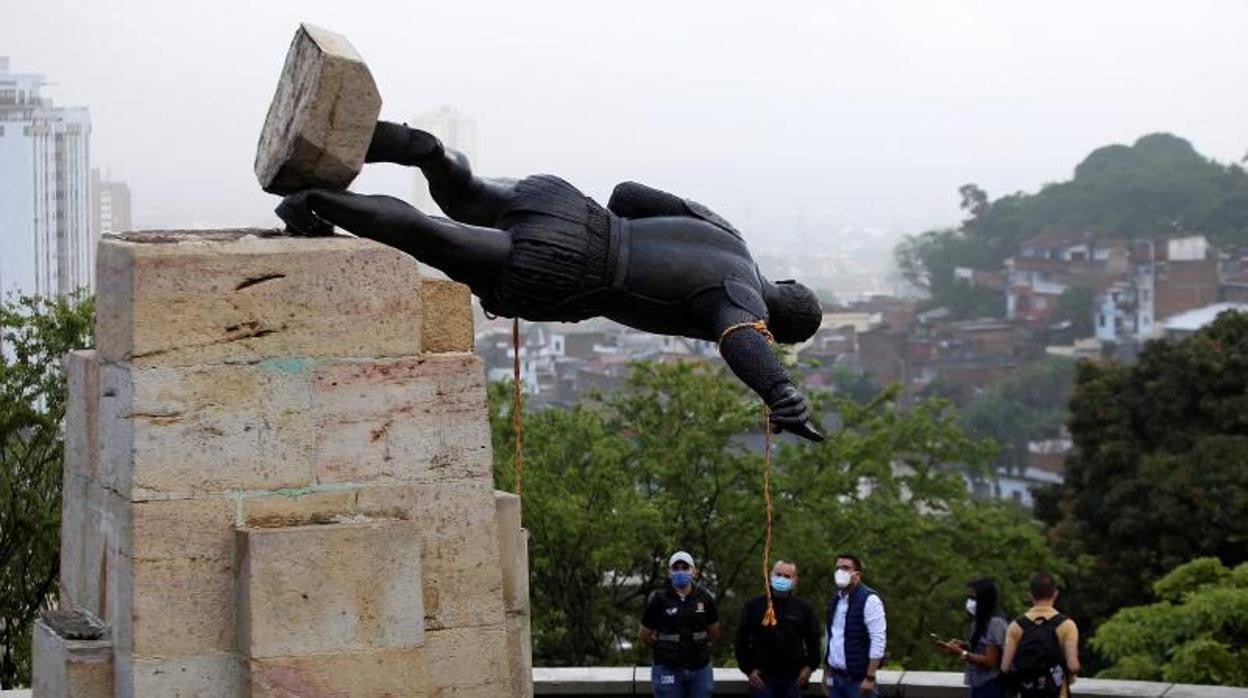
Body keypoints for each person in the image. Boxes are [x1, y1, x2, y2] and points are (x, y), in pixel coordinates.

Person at [275, 121, 824, 441]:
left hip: (569, 208)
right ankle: (315, 201)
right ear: (781, 325)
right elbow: (742, 341)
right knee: (435, 237)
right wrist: (781, 393)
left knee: (464, 190)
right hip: (575, 267)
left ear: (788, 281)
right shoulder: (742, 302)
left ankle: (425, 151)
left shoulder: (726, 235)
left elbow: (628, 194)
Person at [735, 560, 822, 697]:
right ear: (770, 575)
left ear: (795, 581)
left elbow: (814, 641)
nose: (782, 579)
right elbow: (741, 640)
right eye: (778, 574)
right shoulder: (754, 606)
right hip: (762, 680)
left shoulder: (804, 609)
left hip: (793, 679)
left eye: (787, 576)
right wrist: (748, 670)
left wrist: (809, 668)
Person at [640, 551, 721, 697]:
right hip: (667, 667)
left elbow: (714, 632)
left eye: (685, 567)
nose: (680, 571)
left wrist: (698, 646)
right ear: (669, 572)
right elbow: (644, 634)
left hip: (699, 668)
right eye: (676, 568)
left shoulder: (705, 598)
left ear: (694, 571)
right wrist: (664, 648)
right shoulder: (659, 600)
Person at [1000, 572, 1080, 698]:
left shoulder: (1016, 625)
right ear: (1055, 594)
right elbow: (1073, 666)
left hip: (1026, 692)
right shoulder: (1067, 625)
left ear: (1030, 595)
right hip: (1057, 693)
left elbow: (1005, 667)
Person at [935, 577, 1009, 698]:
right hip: (977, 682)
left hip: (990, 684)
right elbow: (982, 647)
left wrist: (961, 652)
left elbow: (990, 660)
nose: (969, 602)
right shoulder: (980, 621)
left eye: (973, 598)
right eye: (968, 598)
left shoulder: (995, 622)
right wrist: (963, 646)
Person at [823, 554, 885, 697]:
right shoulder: (835, 600)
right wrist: (826, 673)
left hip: (858, 680)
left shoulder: (870, 599)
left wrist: (870, 677)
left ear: (856, 573)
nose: (840, 572)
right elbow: (831, 637)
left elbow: (878, 640)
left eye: (845, 568)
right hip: (835, 678)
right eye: (838, 568)